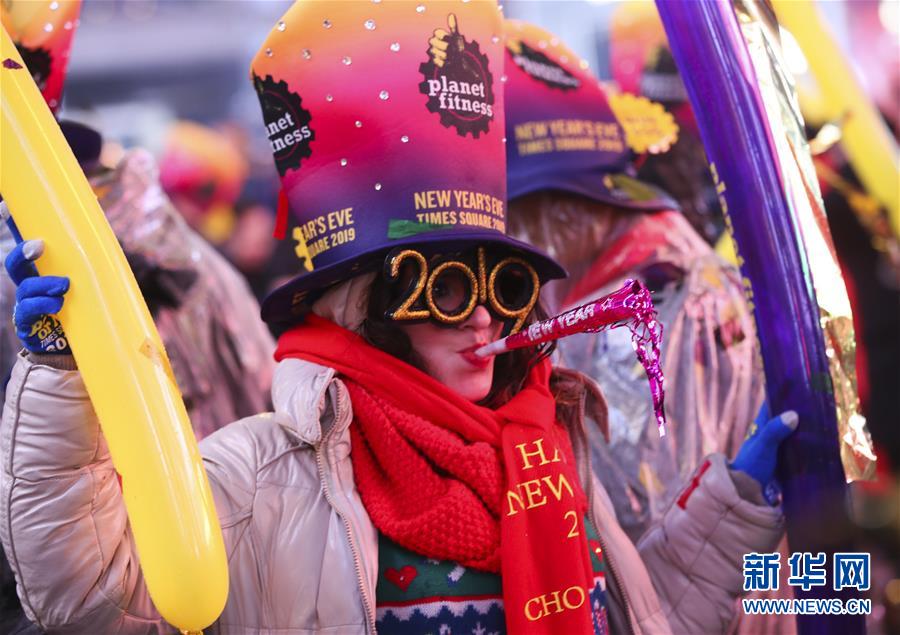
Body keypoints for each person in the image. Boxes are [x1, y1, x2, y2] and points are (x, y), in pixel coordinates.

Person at [2, 2, 795, 633]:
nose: (484, 319)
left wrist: (727, 511)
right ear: (372, 307)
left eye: (506, 285)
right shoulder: (263, 474)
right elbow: (96, 596)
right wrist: (64, 376)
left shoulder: (549, 442)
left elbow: (631, 619)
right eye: (445, 289)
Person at [503, 20, 767, 542]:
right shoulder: (637, 262)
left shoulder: (648, 302)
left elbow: (649, 521)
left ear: (571, 203)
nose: (512, 234)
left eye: (516, 211)